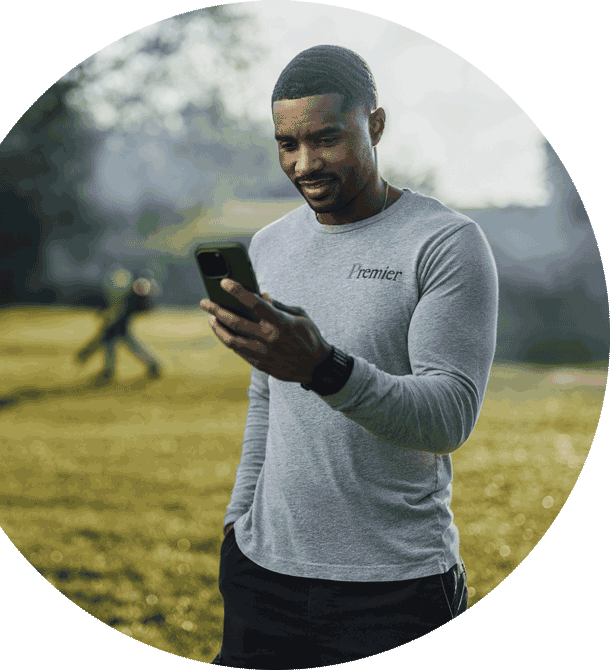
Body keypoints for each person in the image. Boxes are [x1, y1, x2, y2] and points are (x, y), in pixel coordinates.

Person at [200, 45, 498, 669]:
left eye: (327, 139)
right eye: (288, 144)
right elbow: (267, 394)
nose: (305, 163)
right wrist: (239, 522)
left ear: (377, 126)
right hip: (262, 575)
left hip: (395, 589)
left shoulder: (445, 243)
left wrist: (323, 367)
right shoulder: (273, 243)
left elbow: (449, 417)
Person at [76, 268, 162, 384]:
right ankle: (110, 370)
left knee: (118, 344)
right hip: (118, 324)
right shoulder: (125, 295)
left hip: (118, 324)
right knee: (117, 345)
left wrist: (86, 352)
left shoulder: (128, 296)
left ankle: (110, 370)